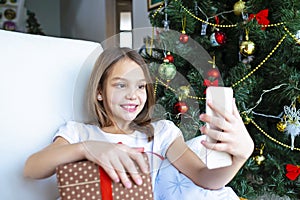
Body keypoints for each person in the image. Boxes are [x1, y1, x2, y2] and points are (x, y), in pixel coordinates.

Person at [24, 47, 254, 198]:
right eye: (120, 85)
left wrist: (241, 156)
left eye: (140, 86)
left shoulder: (161, 133)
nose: (133, 95)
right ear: (99, 92)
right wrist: (89, 148)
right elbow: (32, 168)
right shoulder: (78, 133)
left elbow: (206, 179)